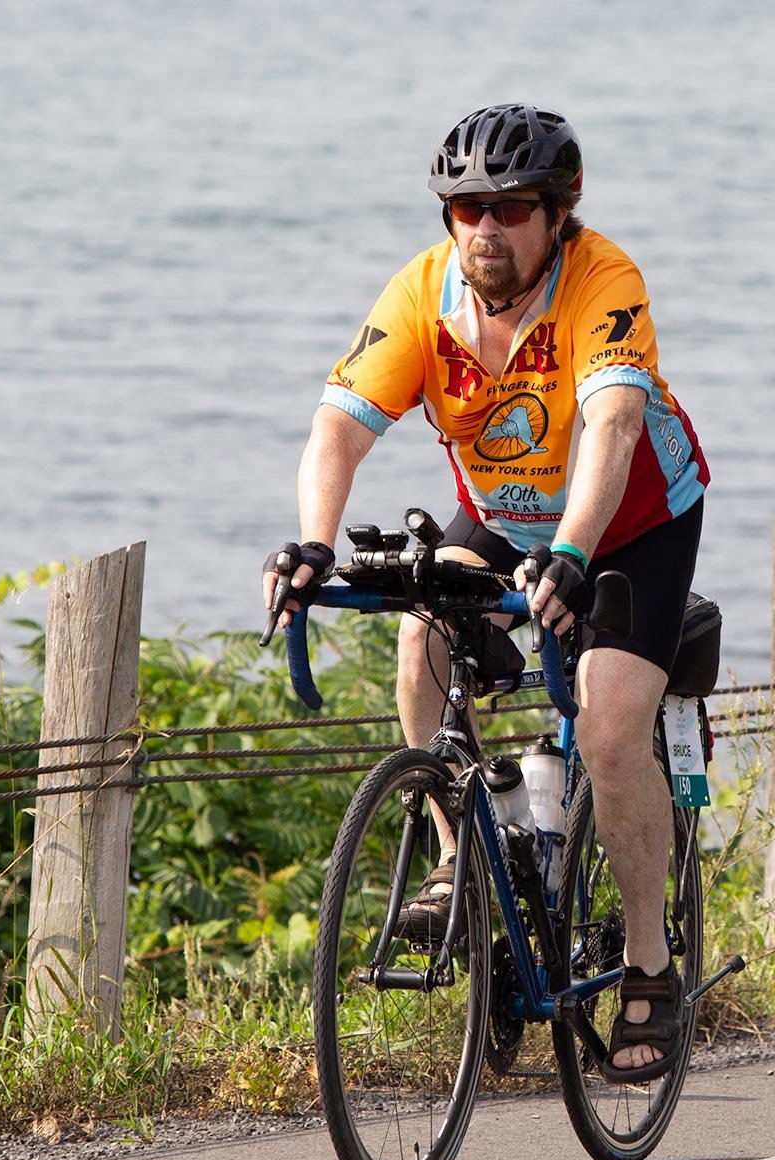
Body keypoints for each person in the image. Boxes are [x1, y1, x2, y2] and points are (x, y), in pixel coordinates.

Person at [262, 103, 710, 1081]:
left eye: (510, 208)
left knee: (607, 729)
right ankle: (459, 852)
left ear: (558, 214)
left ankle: (649, 960)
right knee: (421, 640)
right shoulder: (423, 296)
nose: (486, 229)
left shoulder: (603, 280)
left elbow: (615, 428)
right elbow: (337, 430)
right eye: (467, 207)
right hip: (506, 526)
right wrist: (312, 541)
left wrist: (576, 555)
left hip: (631, 527)